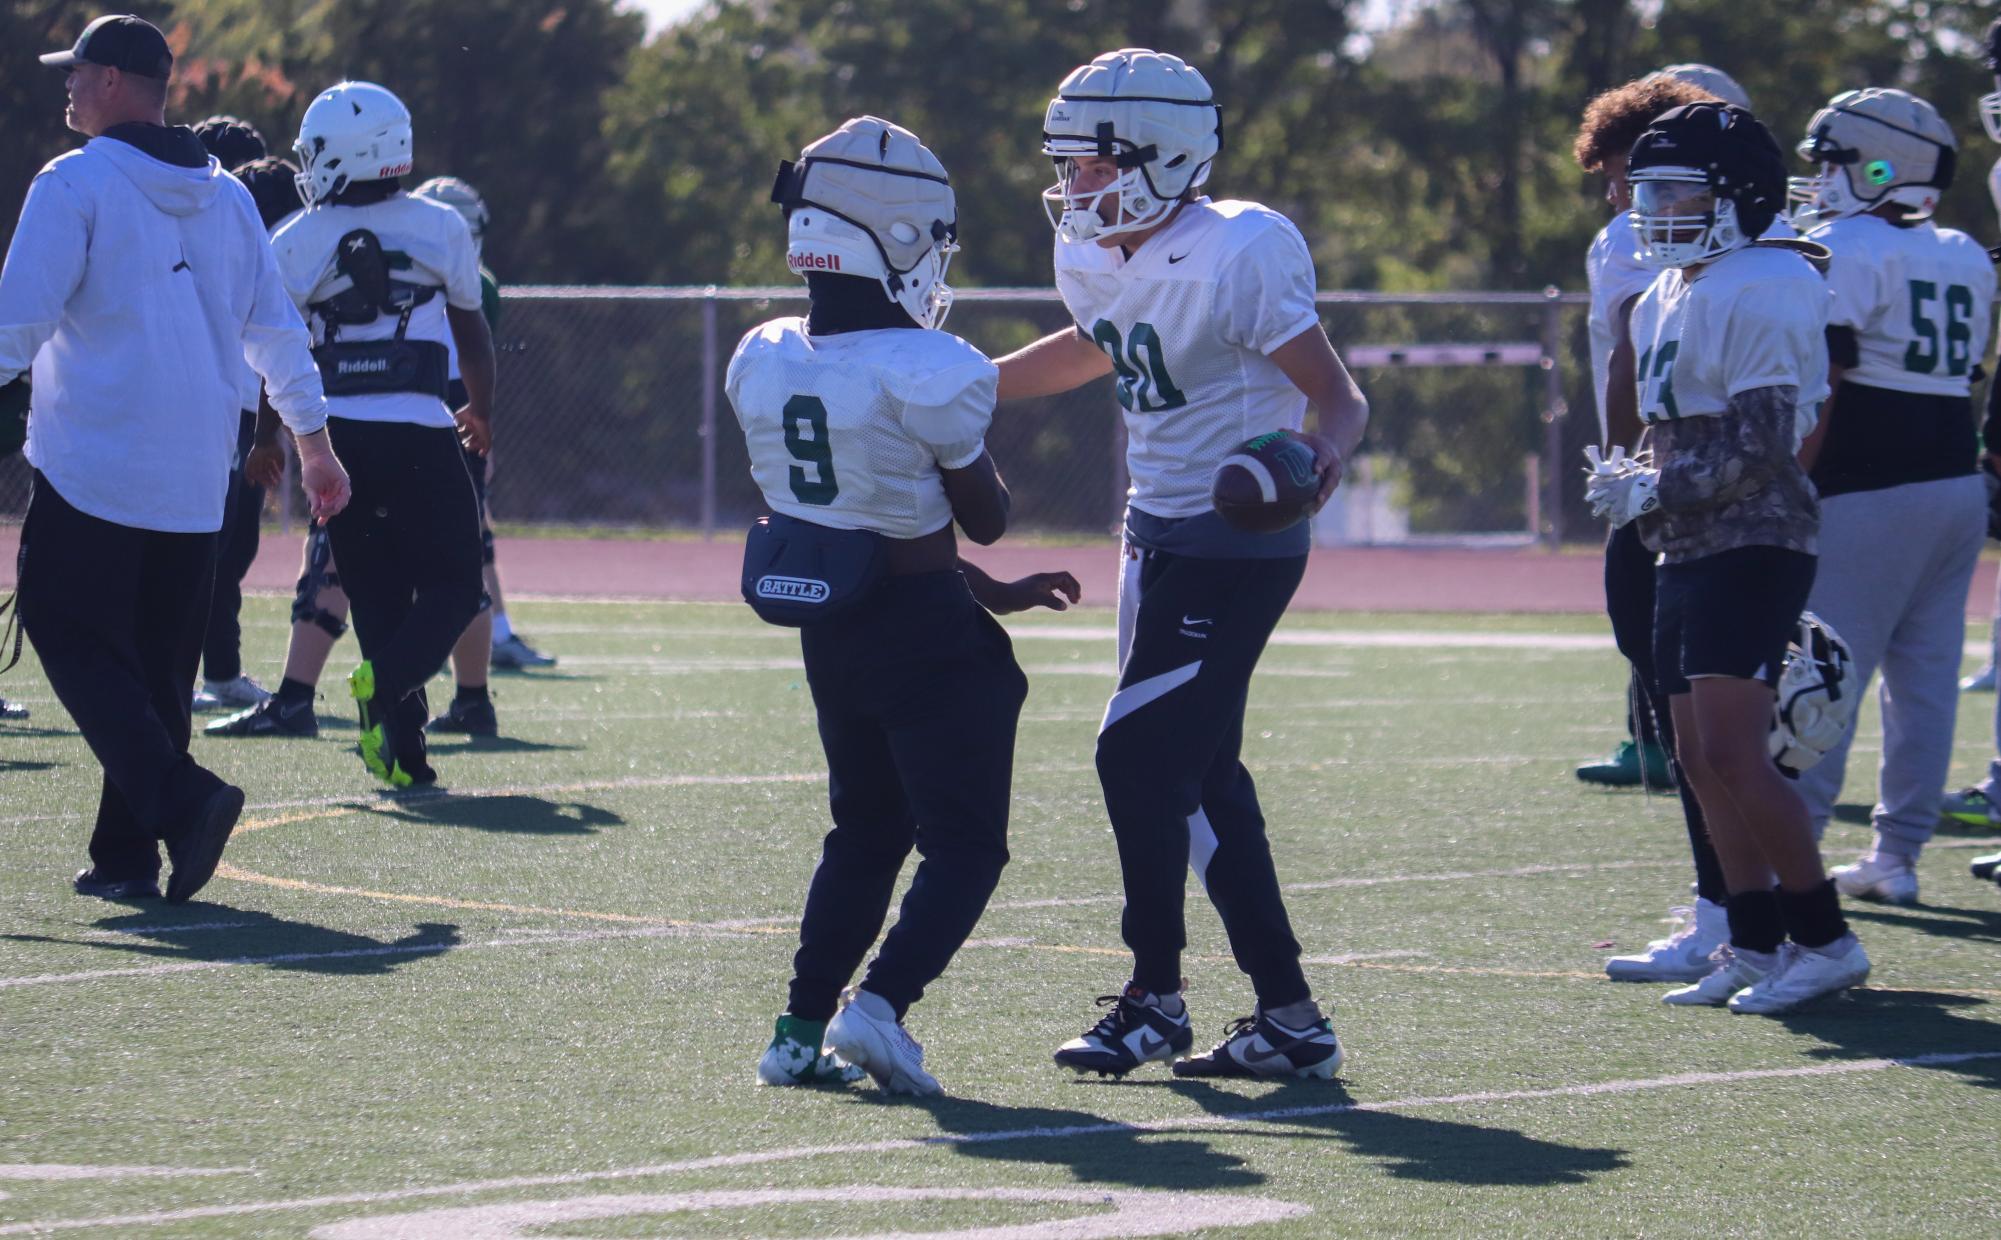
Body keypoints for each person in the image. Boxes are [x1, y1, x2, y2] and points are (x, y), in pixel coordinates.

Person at [993, 49, 1367, 1079]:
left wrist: (1322, 455)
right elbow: (1097, 344)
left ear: (1162, 155)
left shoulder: (1240, 249)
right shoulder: (1098, 254)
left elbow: (1338, 396)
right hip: (1151, 530)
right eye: (1068, 164)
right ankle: (1289, 1018)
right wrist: (976, 385)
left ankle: (1156, 996)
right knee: (1196, 773)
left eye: (1094, 165)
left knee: (1137, 756)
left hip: (1239, 541)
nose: (1075, 185)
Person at [736, 116, 1079, 1096]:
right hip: (923, 630)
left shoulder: (764, 355)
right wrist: (984, 543)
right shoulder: (932, 365)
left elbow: (856, 529)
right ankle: (879, 1007)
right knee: (965, 841)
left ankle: (793, 1037)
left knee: (864, 835)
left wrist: (995, 594)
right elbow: (985, 516)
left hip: (837, 628)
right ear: (900, 236)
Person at [0, 14, 348, 902]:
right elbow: (277, 333)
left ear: (114, 81)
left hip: (96, 464)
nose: (68, 87)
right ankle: (126, 859)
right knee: (160, 670)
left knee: (66, 627)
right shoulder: (229, 195)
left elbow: (16, 324)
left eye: (78, 73)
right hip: (199, 474)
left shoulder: (73, 181)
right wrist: (315, 443)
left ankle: (183, 801)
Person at [1589, 101, 1869, 1012]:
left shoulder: (1767, 281)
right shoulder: (1670, 290)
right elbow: (1678, 438)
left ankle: (1822, 937)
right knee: (1695, 755)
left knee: (1736, 754)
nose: (1654, 206)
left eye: (1676, 188)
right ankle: (1749, 940)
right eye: (1647, 188)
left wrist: (1653, 489)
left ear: (1738, 196)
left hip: (1755, 538)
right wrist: (1637, 474)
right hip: (1685, 542)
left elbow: (1761, 444)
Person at [1781, 89, 1990, 907]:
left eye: (1831, 163)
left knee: (1821, 673)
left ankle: (1784, 859)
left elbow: (1826, 376)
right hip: (1953, 481)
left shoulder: (1844, 247)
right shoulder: (1966, 251)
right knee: (1924, 682)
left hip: (1867, 486)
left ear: (1879, 168)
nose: (1820, 181)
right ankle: (1896, 857)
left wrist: (1792, 477)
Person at [270, 80, 492, 787]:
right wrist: (481, 409)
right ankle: (386, 683)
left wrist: (261, 440)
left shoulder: (295, 241)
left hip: (336, 440)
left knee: (379, 599)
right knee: (457, 587)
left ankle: (405, 759)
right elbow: (470, 329)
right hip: (422, 433)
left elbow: (269, 350)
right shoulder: (439, 226)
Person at [1571, 72, 1741, 983]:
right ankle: (1750, 909)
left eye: (1621, 173)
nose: (1614, 196)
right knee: (1722, 721)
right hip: (1729, 490)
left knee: (1700, 719)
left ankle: (1733, 907)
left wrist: (1627, 472)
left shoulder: (1642, 238)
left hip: (1679, 497)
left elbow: (1631, 359)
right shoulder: (1767, 246)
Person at [188, 115, 278, 714]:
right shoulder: (203, 227)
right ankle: (212, 669)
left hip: (247, 406)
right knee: (210, 546)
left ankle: (218, 669)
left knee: (234, 545)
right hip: (214, 404)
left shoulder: (249, 230)